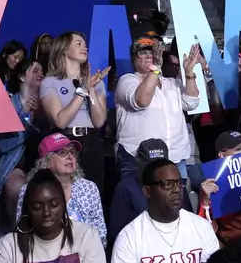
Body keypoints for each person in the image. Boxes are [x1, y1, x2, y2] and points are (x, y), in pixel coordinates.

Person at [114, 37, 200, 179]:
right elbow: (141, 101)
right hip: (139, 159)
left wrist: (189, 72)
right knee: (140, 200)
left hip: (175, 157)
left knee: (177, 200)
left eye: (152, 52)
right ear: (134, 59)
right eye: (143, 52)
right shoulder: (128, 81)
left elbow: (192, 102)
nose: (149, 55)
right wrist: (155, 69)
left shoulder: (171, 83)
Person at [40, 31, 110, 195]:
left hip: (92, 142)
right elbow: (60, 121)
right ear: (63, 49)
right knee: (66, 195)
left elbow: (99, 121)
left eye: (85, 44)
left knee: (94, 193)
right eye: (78, 43)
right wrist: (81, 92)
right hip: (65, 143)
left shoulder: (95, 82)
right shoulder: (50, 82)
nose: (84, 46)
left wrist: (91, 89)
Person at [111, 159, 220, 263]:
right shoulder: (129, 238)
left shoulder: (202, 227)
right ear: (147, 191)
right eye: (167, 184)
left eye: (179, 183)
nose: (176, 189)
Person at [15, 133, 107, 247]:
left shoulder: (88, 188)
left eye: (72, 152)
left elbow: (100, 233)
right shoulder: (28, 190)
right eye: (63, 152)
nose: (70, 156)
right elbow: (24, 232)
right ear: (47, 161)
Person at [0, 169, 105, 263]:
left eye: (54, 205)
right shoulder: (8, 246)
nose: (46, 213)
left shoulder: (86, 235)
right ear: (27, 209)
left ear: (63, 204)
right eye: (37, 207)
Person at [0, 59, 44, 220]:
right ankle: (19, 234)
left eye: (42, 71)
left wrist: (39, 117)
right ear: (22, 77)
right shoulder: (7, 105)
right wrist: (27, 123)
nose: (40, 74)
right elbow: (2, 144)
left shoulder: (48, 102)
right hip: (15, 165)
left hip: (42, 165)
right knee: (17, 188)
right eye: (35, 71)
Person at [198, 131, 241, 245]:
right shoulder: (212, 186)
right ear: (222, 155)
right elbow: (204, 232)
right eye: (238, 149)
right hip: (233, 248)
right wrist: (204, 202)